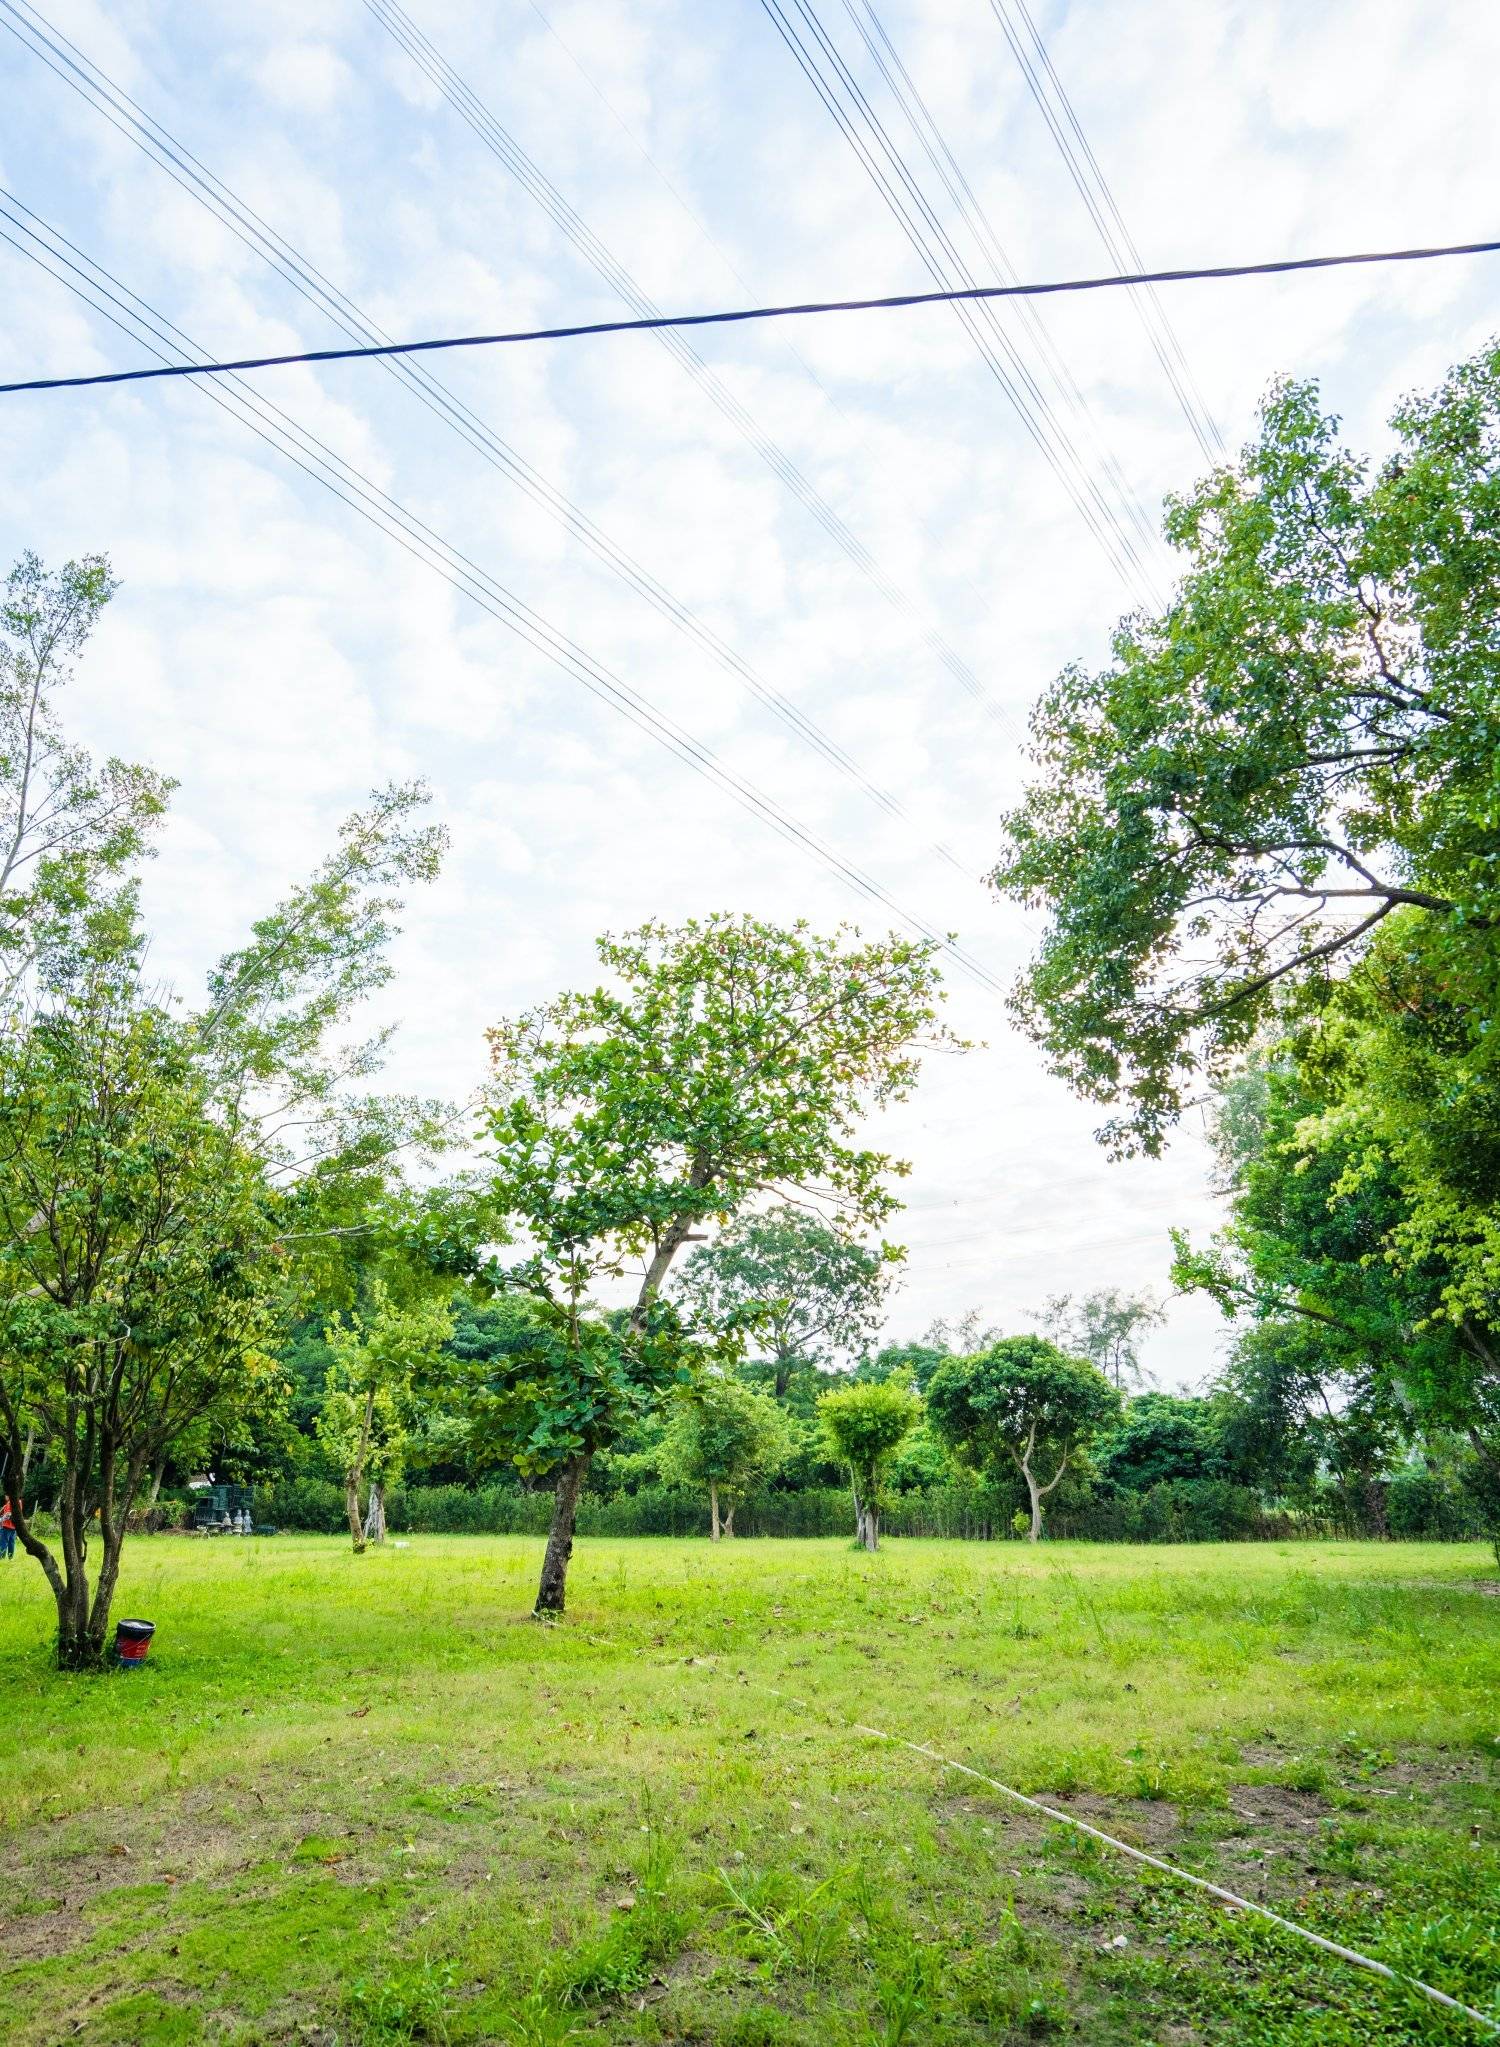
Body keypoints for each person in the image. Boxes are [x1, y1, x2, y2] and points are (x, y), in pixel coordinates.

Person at [0, 1495, 15, 1561]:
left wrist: (0, 1520)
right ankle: (10, 1558)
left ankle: (1, 1558)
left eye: (6, 1495)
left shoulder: (9, 1503)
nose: (5, 1497)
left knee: (4, 1542)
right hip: (14, 1526)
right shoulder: (17, 1502)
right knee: (11, 1542)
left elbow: (8, 1514)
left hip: (6, 1526)